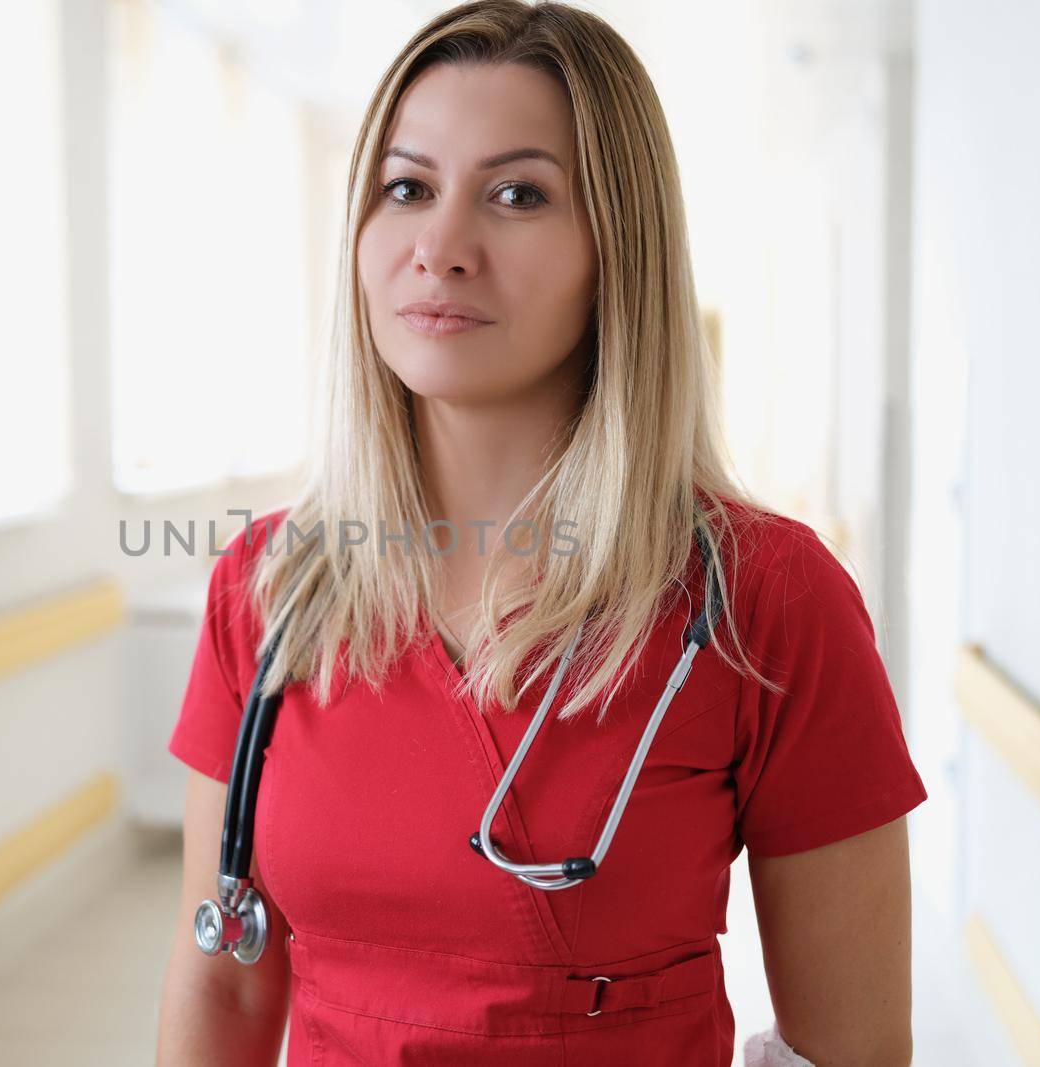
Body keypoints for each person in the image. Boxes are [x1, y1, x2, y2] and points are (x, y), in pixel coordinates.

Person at [155, 2, 925, 1064]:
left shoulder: (766, 599)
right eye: (406, 187)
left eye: (517, 194)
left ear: (620, 246)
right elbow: (224, 993)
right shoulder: (270, 585)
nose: (440, 246)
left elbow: (855, 1047)